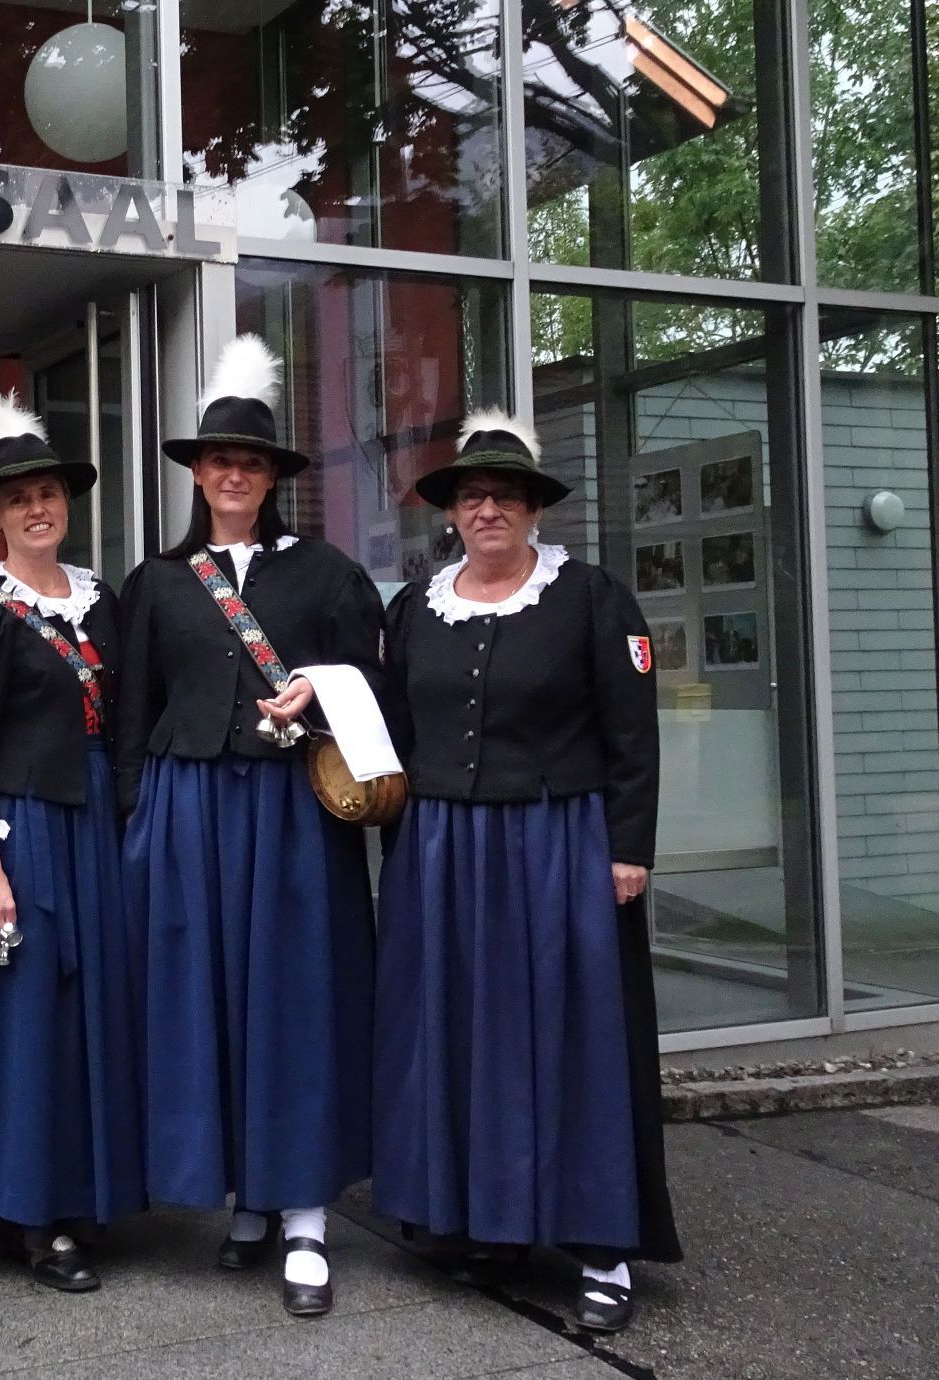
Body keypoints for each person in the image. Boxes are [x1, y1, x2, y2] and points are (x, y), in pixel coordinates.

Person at [371, 409, 682, 1333]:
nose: (488, 510)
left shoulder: (591, 598)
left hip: (555, 843)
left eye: (506, 496)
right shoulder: (414, 607)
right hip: (441, 849)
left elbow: (632, 736)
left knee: (573, 1036)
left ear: (533, 509)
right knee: (460, 1033)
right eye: (473, 496)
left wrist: (628, 848)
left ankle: (600, 1246)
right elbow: (390, 730)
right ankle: (482, 1225)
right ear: (451, 512)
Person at [116, 336, 389, 1317]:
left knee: (294, 1003)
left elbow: (377, 691)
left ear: (273, 478)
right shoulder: (155, 582)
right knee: (205, 1006)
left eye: (250, 463)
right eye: (218, 461)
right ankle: (243, 1195)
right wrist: (131, 827)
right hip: (185, 812)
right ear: (196, 474)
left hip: (289, 820)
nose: (233, 475)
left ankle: (303, 1216)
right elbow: (132, 714)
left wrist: (321, 692)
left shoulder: (327, 575)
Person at [0, 391, 144, 1292]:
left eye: (47, 493)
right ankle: (28, 1215)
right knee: (27, 1023)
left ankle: (86, 1196)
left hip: (93, 829)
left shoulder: (102, 603)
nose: (36, 508)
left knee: (91, 1013)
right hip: (18, 836)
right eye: (18, 499)